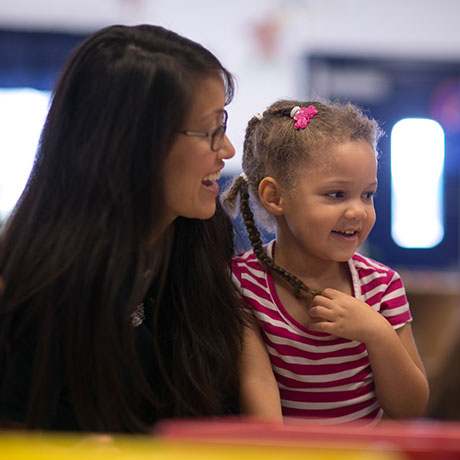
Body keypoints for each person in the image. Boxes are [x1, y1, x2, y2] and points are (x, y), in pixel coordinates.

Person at [0, 24, 245, 433]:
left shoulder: (197, 239)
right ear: (135, 144)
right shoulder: (43, 291)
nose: (227, 150)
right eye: (210, 131)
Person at [222, 99, 429, 425]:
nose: (358, 212)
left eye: (367, 194)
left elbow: (411, 408)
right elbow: (257, 388)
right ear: (275, 197)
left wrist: (377, 333)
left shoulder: (382, 285)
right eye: (336, 195)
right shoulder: (244, 283)